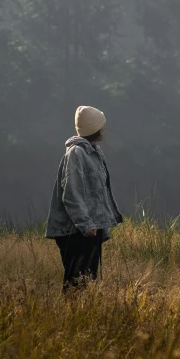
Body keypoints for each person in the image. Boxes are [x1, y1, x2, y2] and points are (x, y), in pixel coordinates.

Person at [47, 105, 123, 291]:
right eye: (101, 126)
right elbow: (72, 194)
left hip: (89, 229)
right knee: (77, 283)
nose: (104, 129)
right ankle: (70, 318)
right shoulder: (76, 154)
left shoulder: (94, 152)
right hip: (76, 231)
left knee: (87, 282)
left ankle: (80, 318)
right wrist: (86, 224)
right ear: (95, 128)